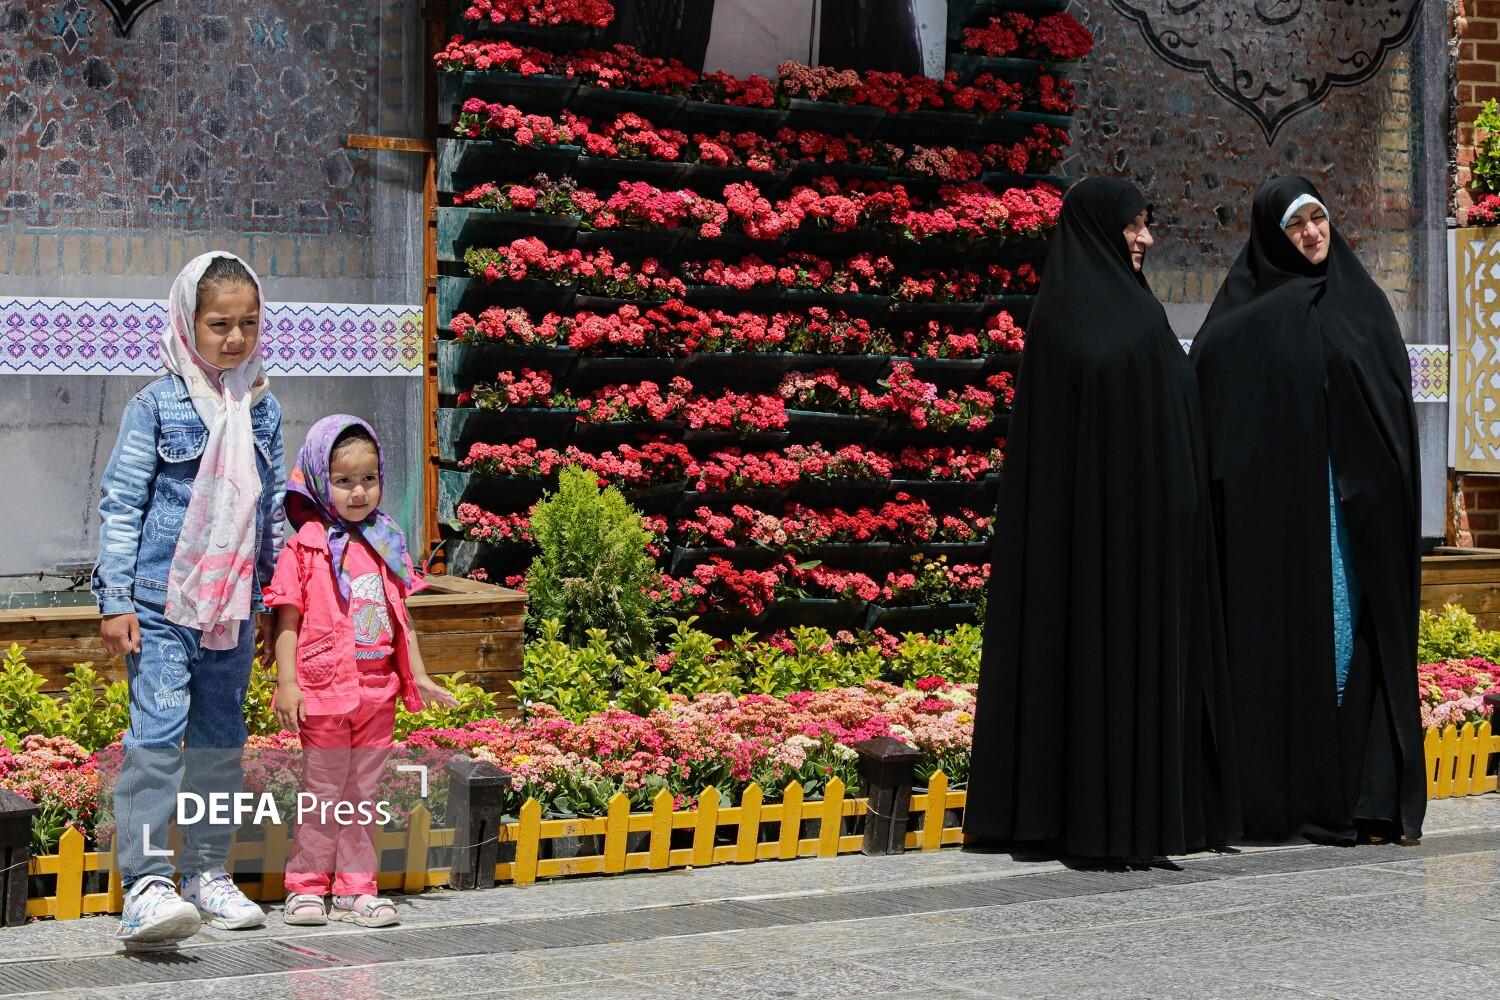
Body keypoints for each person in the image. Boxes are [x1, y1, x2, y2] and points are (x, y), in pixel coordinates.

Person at [964, 177, 1240, 862]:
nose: (1146, 238)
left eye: (1146, 224)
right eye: (1133, 225)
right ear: (1096, 228)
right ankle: (1093, 816)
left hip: (1135, 535)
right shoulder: (1078, 319)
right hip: (1104, 542)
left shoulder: (1117, 310)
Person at [1191, 177, 1424, 845]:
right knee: (1288, 643)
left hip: (1353, 519)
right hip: (1278, 523)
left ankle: (1356, 791)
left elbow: (1390, 412)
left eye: (1319, 218)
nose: (1313, 234)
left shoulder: (1363, 304)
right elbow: (1216, 406)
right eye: (1296, 225)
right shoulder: (1243, 320)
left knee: (1350, 640)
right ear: (1273, 234)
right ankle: (1285, 790)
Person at [95, 252, 283, 948]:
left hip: (233, 606)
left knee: (219, 744)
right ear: (186, 322)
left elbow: (272, 512)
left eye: (248, 323)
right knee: (155, 741)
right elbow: (122, 505)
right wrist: (115, 599)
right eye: (218, 324)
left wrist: (274, 603)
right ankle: (146, 888)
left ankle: (207, 874)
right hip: (160, 604)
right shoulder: (155, 404)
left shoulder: (263, 406)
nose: (234, 338)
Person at [266, 416, 457, 928]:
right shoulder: (304, 546)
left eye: (368, 479)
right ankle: (306, 888)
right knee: (323, 791)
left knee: (363, 795)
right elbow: (287, 619)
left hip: (378, 693)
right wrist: (288, 684)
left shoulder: (385, 540)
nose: (358, 492)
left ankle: (356, 890)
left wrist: (420, 676)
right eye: (344, 480)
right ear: (318, 480)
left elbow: (401, 617)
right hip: (325, 693)